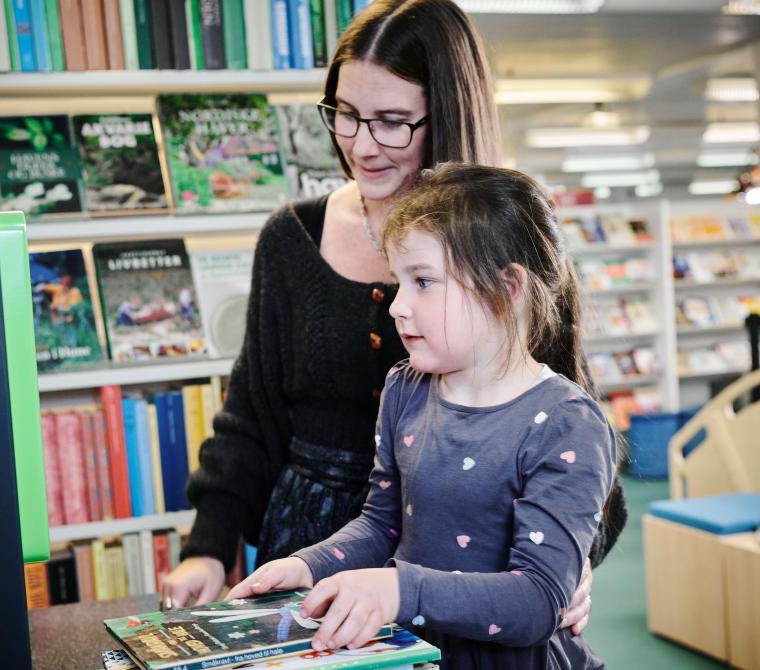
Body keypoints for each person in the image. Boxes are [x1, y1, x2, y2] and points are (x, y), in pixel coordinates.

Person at [162, 0, 627, 634]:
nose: (360, 144)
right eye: (346, 115)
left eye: (391, 122)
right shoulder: (291, 238)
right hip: (315, 543)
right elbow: (249, 414)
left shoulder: (508, 240)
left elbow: (575, 444)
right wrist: (208, 548)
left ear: (446, 117)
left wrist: (569, 566)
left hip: (464, 574)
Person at [227, 163, 616, 669]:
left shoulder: (566, 422)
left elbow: (538, 601)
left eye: (424, 282)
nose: (397, 306)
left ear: (508, 288)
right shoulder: (405, 389)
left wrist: (397, 589)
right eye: (398, 281)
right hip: (416, 654)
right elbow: (381, 526)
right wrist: (309, 565)